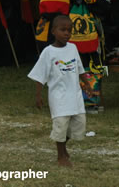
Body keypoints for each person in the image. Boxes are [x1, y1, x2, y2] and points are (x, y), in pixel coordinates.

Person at [28, 15, 92, 167]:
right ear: (53, 31)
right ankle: (61, 155)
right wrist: (38, 95)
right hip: (59, 97)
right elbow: (40, 75)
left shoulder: (73, 48)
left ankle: (64, 147)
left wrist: (87, 85)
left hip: (75, 96)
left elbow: (80, 69)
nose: (66, 33)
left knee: (79, 125)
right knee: (61, 126)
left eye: (69, 30)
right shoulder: (48, 52)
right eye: (62, 30)